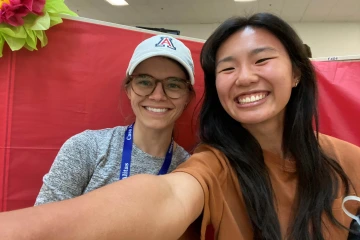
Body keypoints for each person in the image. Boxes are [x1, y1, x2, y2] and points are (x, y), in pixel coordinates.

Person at [0, 12, 360, 240]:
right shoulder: (209, 167)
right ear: (128, 88)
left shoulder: (348, 159)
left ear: (298, 72)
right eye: (229, 67)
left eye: (262, 59)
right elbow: (166, 197)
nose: (246, 77)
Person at [34, 34, 196, 205]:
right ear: (129, 90)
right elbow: (43, 225)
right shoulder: (87, 148)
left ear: (187, 98)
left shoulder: (188, 169)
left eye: (173, 85)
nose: (157, 96)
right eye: (145, 82)